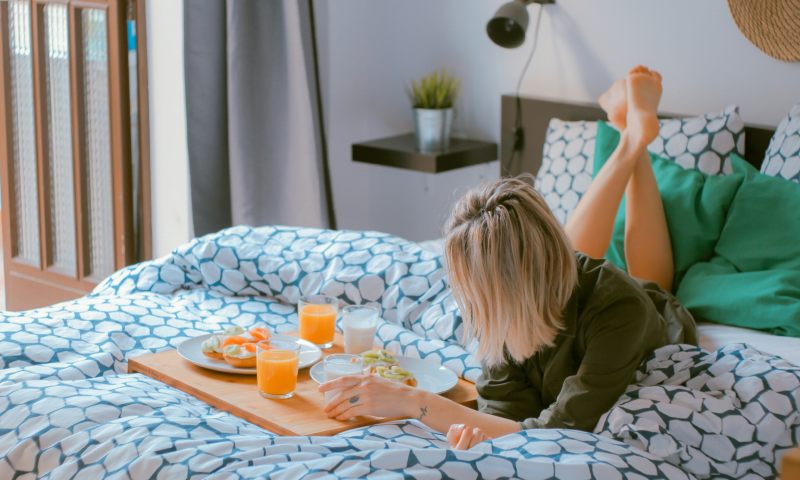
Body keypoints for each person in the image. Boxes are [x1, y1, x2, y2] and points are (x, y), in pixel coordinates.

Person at [318, 65, 697, 450]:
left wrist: (417, 403)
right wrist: (484, 432)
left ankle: (635, 140)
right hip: (553, 283)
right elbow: (504, 410)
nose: (466, 301)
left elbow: (562, 429)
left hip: (647, 310)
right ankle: (631, 135)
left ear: (508, 285)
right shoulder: (500, 309)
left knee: (652, 280)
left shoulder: (620, 311)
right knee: (571, 253)